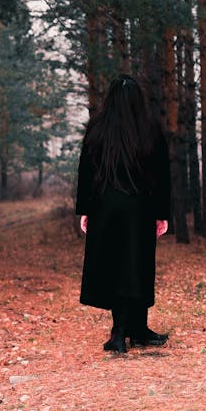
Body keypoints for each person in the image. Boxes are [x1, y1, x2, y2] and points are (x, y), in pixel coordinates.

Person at [75, 74, 171, 354]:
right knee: (136, 265)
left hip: (105, 209)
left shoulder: (98, 128)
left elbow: (86, 173)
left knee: (114, 267)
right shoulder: (150, 128)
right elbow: (161, 175)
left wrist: (85, 210)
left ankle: (128, 331)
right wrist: (162, 213)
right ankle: (131, 330)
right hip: (139, 209)